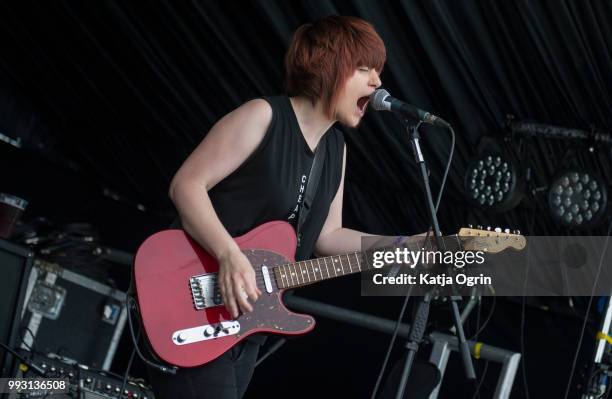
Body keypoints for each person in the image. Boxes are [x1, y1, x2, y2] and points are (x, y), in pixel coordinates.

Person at [148, 15, 436, 399]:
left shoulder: (336, 150)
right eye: (364, 69)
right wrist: (229, 254)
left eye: (378, 71)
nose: (377, 83)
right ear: (327, 66)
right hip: (193, 299)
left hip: (243, 321)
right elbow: (187, 185)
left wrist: (404, 244)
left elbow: (328, 238)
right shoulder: (262, 116)